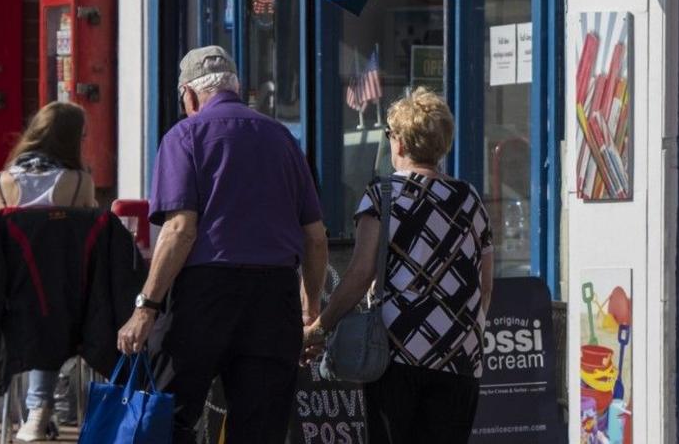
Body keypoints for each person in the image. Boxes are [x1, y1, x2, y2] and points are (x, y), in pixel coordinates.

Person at [117, 46, 327, 444]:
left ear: (190, 96)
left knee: (169, 421)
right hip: (273, 296)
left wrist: (145, 307)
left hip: (201, 295)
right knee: (261, 429)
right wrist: (310, 310)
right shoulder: (282, 138)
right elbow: (315, 237)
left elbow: (180, 231)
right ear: (237, 88)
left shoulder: (185, 135)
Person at [307, 89, 492, 444]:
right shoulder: (470, 199)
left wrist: (320, 326)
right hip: (461, 356)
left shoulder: (382, 194)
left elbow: (361, 274)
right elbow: (486, 284)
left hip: (397, 352)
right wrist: (466, 334)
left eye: (391, 135)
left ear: (402, 143)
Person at [0, 102, 95, 441]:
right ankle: (39, 407)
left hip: (5, 304)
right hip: (62, 304)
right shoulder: (78, 183)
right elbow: (87, 243)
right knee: (51, 299)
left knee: (34, 301)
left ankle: (30, 412)